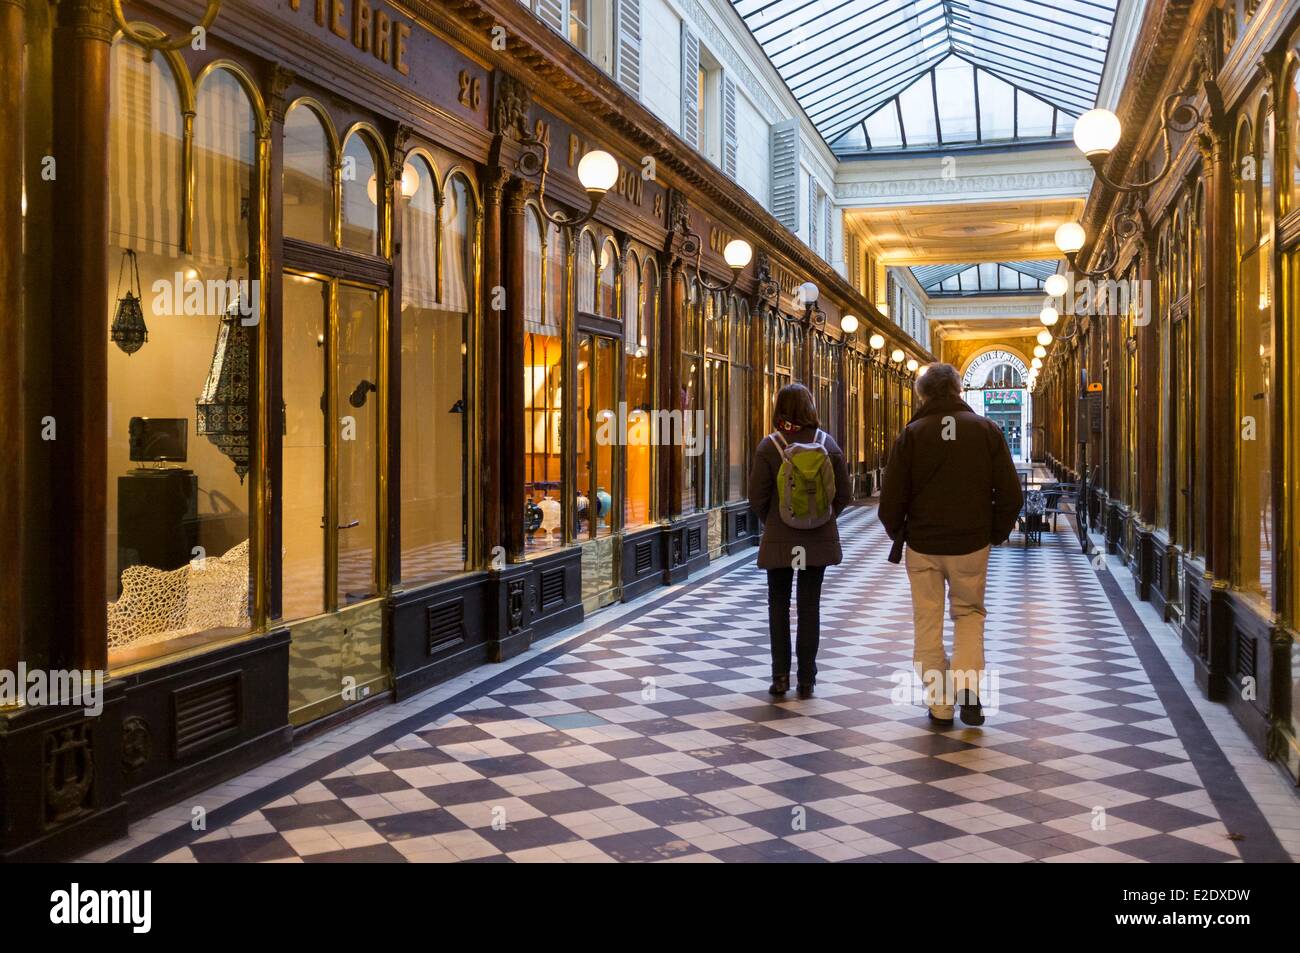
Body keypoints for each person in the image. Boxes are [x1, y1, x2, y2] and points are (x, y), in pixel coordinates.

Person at [878, 363, 1022, 727]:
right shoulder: (987, 430)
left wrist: (902, 532)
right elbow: (1010, 494)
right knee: (969, 614)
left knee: (927, 621)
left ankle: (941, 705)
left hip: (923, 546)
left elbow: (890, 501)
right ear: (958, 391)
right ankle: (969, 689)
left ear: (923, 395)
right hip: (971, 544)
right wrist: (994, 533)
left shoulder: (911, 434)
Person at [748, 383, 851, 699]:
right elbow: (844, 495)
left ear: (779, 409)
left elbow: (757, 498)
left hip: (781, 538)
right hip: (817, 538)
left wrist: (778, 521)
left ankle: (780, 677)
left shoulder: (770, 446)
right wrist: (819, 516)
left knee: (778, 604)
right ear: (811, 409)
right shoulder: (827, 444)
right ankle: (807, 679)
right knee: (809, 605)